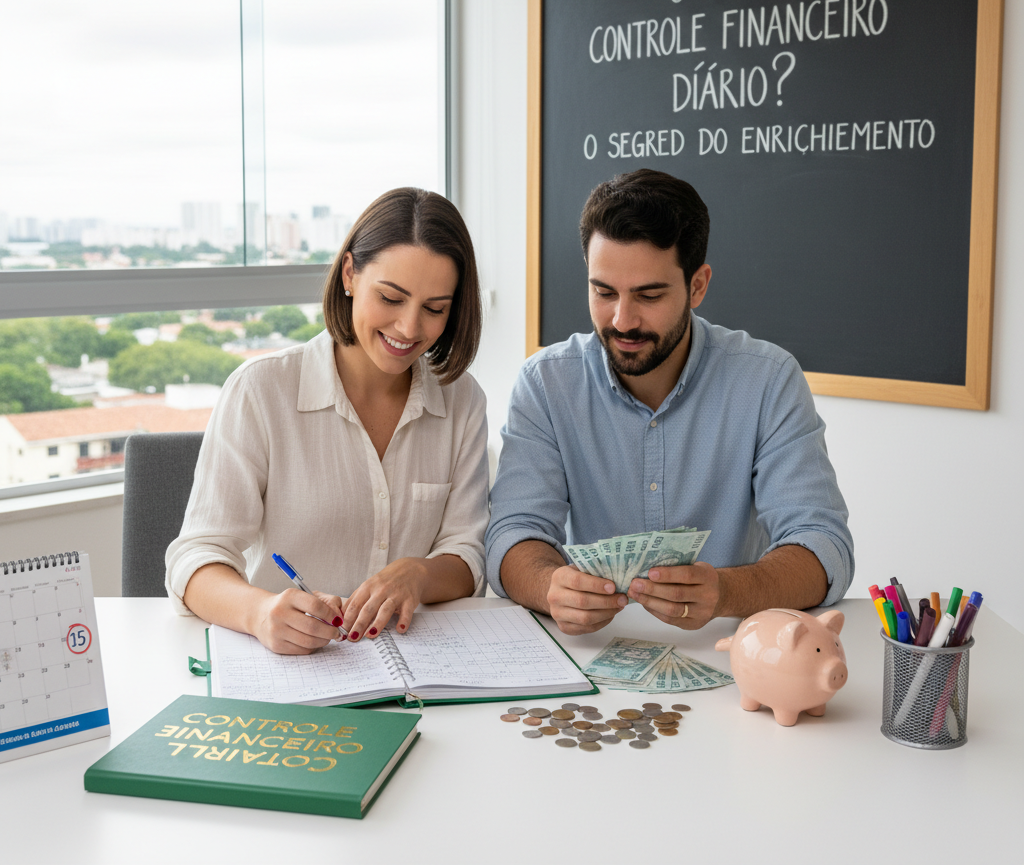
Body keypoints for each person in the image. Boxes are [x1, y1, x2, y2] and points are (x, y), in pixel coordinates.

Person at [486, 168, 853, 635]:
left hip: (733, 655)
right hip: (594, 653)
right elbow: (513, 532)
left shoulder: (768, 380)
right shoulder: (545, 383)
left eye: (649, 295)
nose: (622, 320)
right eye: (603, 292)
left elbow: (824, 545)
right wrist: (549, 585)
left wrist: (728, 591)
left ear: (697, 286)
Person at [166, 188, 489, 654]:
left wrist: (417, 574)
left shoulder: (463, 401)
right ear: (350, 274)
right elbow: (195, 559)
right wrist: (259, 613)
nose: (409, 329)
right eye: (391, 298)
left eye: (435, 308)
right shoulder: (261, 390)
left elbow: (467, 556)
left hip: (422, 665)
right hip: (291, 668)